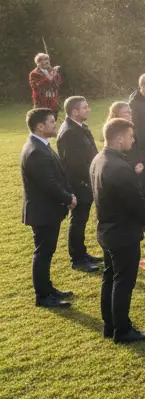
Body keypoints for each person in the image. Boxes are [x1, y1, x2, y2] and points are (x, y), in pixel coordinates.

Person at [91, 118, 145, 343]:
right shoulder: (119, 167)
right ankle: (122, 329)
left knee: (110, 278)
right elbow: (135, 202)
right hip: (122, 233)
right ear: (119, 139)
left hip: (107, 230)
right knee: (123, 282)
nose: (133, 140)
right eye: (130, 136)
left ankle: (110, 324)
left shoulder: (99, 159)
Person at [21, 107, 76, 308]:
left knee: (46, 252)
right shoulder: (35, 151)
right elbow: (49, 184)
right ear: (40, 126)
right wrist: (68, 197)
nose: (55, 125)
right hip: (43, 212)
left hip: (46, 210)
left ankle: (47, 289)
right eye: (52, 122)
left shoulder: (41, 145)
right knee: (43, 253)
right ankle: (43, 296)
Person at [56, 95, 101, 272]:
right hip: (79, 184)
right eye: (85, 107)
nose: (89, 109)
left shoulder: (79, 127)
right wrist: (91, 178)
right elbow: (75, 164)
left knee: (81, 221)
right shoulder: (69, 132)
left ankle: (82, 253)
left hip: (86, 181)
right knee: (78, 221)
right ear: (74, 111)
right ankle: (77, 259)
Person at [107, 101, 145, 175]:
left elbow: (139, 149)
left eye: (130, 112)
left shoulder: (132, 129)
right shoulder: (113, 132)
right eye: (126, 112)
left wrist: (140, 161)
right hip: (124, 169)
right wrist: (132, 167)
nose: (130, 115)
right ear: (116, 115)